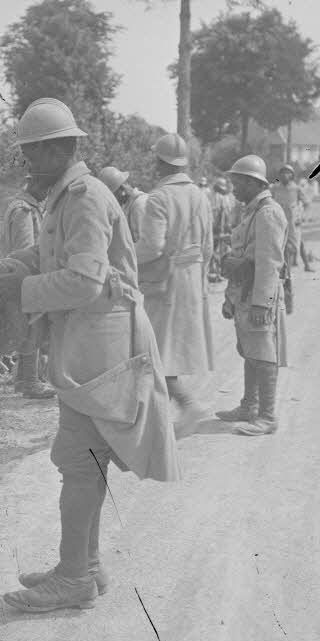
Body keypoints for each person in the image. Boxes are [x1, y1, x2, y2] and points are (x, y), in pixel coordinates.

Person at [0, 98, 178, 612]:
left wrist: (22, 290)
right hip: (91, 340)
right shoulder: (67, 196)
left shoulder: (85, 197)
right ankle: (84, 567)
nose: (27, 162)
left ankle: (74, 575)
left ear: (55, 150)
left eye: (32, 152)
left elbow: (85, 280)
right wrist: (14, 266)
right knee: (86, 460)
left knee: (77, 459)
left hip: (100, 342)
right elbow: (59, 256)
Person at [122, 136, 214, 438]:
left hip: (163, 284)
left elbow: (152, 246)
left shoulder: (159, 197)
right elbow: (209, 247)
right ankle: (161, 414)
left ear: (160, 162)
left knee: (153, 351)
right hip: (190, 278)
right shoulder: (200, 195)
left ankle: (186, 406)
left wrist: (122, 255)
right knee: (165, 352)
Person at [215, 155, 288, 436]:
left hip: (258, 294)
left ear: (252, 182)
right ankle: (249, 406)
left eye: (238, 182)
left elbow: (270, 264)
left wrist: (262, 303)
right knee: (250, 351)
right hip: (245, 291)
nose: (234, 187)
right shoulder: (253, 211)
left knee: (263, 352)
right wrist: (230, 298)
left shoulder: (268, 213)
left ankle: (267, 416)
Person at [0, 173, 55, 399]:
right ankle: (30, 381)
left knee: (28, 326)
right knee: (33, 326)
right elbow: (25, 249)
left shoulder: (22, 206)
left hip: (16, 273)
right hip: (23, 273)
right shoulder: (24, 210)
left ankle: (23, 379)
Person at [270, 164, 314, 273]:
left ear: (292, 175)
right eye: (282, 173)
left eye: (287, 173)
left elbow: (307, 204)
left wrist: (302, 217)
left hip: (292, 222)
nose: (284, 175)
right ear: (279, 175)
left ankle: (306, 265)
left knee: (299, 243)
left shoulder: (296, 189)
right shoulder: (274, 188)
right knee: (282, 247)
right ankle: (285, 271)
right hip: (278, 222)